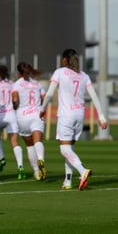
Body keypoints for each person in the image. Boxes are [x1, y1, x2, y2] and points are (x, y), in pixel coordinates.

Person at [40, 48, 108, 190]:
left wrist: (42, 109)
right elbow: (94, 96)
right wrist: (101, 116)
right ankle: (68, 181)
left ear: (65, 59)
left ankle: (83, 171)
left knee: (64, 149)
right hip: (79, 115)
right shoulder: (84, 76)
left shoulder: (59, 72)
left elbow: (49, 94)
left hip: (66, 115)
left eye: (62, 59)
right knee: (69, 149)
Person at [12, 62, 46, 181]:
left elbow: (15, 101)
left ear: (19, 73)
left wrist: (14, 106)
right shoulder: (38, 84)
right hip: (36, 114)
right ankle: (41, 159)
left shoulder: (16, 84)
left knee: (29, 145)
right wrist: (41, 109)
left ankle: (37, 171)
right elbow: (44, 99)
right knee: (37, 141)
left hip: (22, 117)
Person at [0, 65, 25, 180]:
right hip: (10, 115)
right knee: (15, 142)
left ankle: (2, 158)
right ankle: (20, 166)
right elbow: (16, 99)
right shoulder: (12, 83)